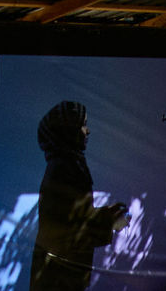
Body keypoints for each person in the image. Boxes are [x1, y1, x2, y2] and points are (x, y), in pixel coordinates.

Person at [30, 100, 125, 291]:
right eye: (82, 125)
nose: (87, 131)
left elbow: (75, 217)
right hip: (58, 277)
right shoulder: (65, 169)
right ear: (68, 130)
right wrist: (110, 220)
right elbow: (72, 229)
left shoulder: (67, 165)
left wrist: (110, 216)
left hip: (60, 273)